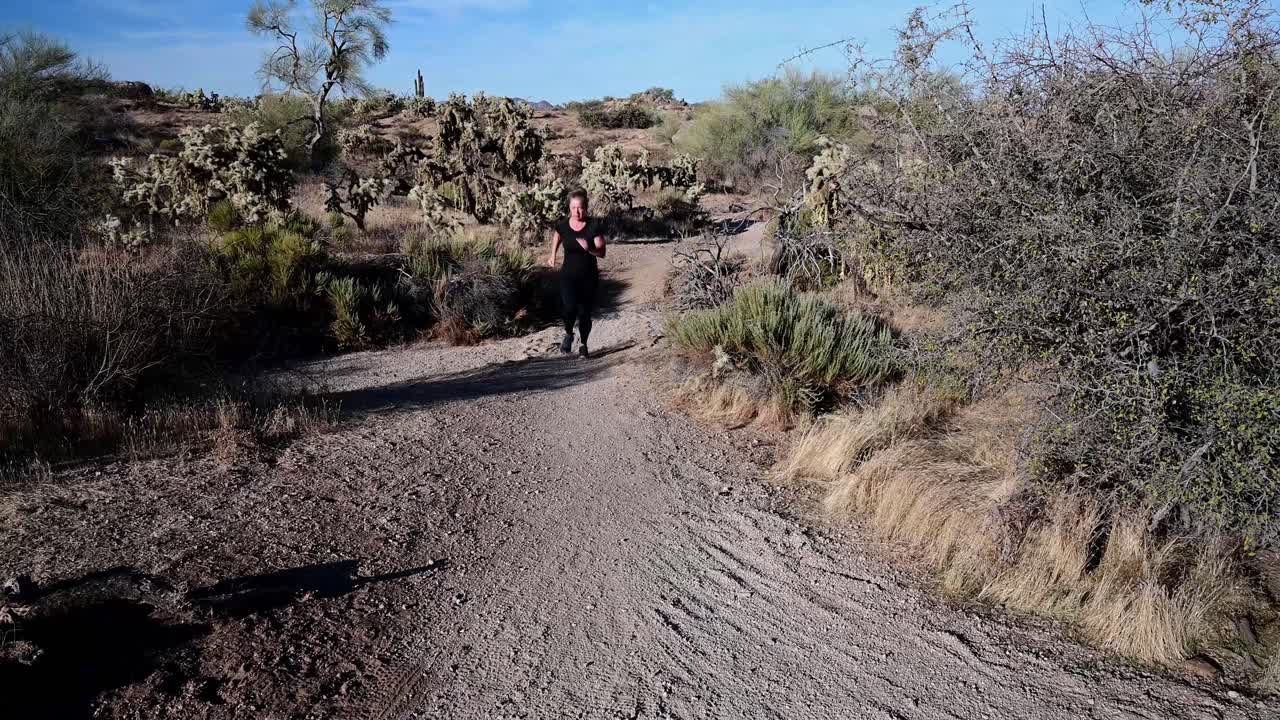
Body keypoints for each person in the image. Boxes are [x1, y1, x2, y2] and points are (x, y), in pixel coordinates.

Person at [546, 189, 606, 358]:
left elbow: (602, 253)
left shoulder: (594, 226)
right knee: (569, 307)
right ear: (569, 208)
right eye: (573, 208)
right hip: (568, 276)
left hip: (588, 277)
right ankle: (568, 333)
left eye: (580, 208)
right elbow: (557, 236)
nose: (577, 211)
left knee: (585, 312)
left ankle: (583, 345)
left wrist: (590, 249)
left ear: (585, 208)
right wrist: (552, 255)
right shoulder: (564, 225)